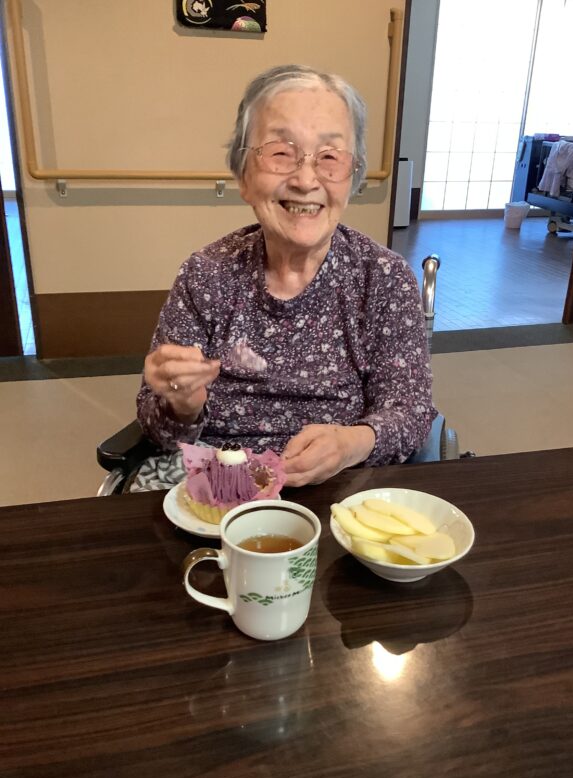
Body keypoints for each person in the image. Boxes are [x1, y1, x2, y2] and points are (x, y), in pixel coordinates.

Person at [134, 64, 436, 491]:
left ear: (353, 177)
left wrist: (351, 442)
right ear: (243, 176)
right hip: (219, 490)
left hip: (340, 489)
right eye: (280, 153)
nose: (306, 180)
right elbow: (158, 433)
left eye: (330, 157)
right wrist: (182, 406)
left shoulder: (382, 278)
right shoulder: (207, 274)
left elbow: (411, 412)